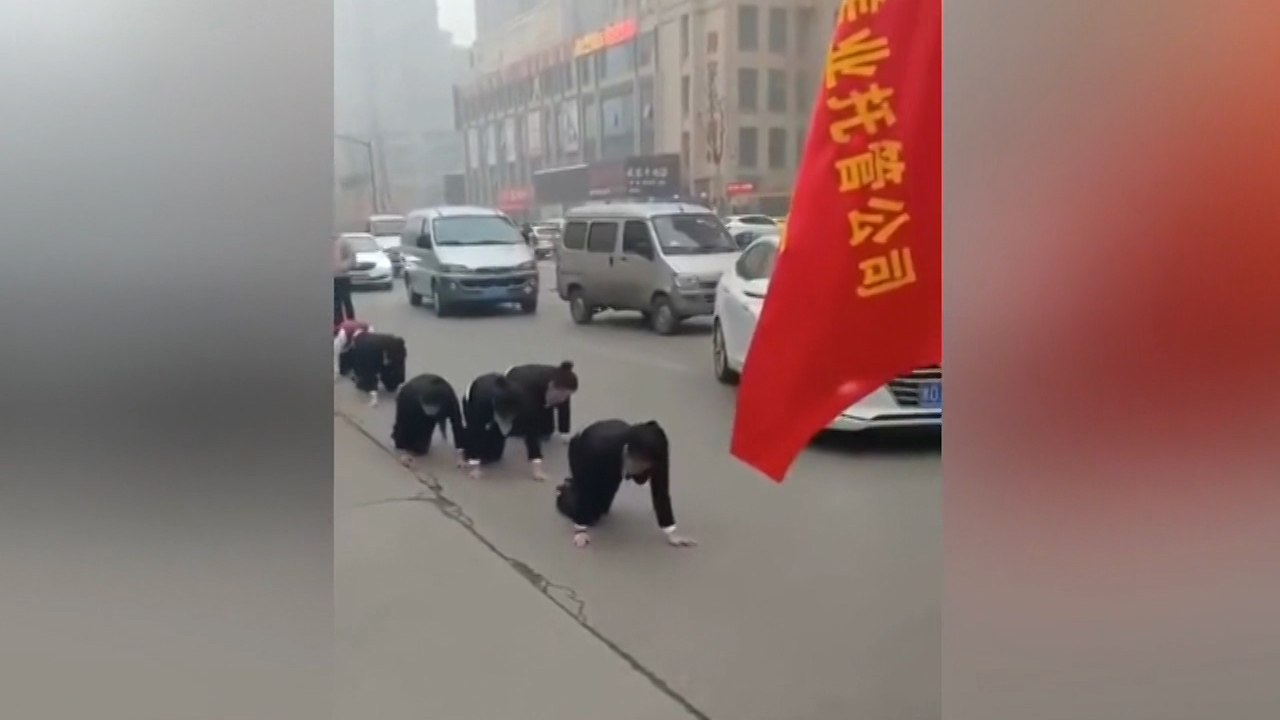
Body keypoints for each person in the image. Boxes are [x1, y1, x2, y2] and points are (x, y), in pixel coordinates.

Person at [555, 420, 696, 549]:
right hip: (584, 453)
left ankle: (593, 497)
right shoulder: (598, 449)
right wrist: (580, 529)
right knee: (589, 510)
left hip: (615, 455)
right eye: (641, 464)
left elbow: (661, 488)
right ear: (629, 453)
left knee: (603, 508)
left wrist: (670, 531)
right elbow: (585, 485)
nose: (645, 470)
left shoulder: (657, 450)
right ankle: (564, 491)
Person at [459, 372, 538, 479]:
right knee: (475, 441)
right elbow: (475, 431)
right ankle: (466, 447)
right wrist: (475, 468)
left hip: (502, 399)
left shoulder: (526, 403)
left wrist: (537, 470)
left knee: (494, 456)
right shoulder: (481, 401)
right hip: (474, 396)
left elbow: (532, 434)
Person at [392, 373, 466, 467]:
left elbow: (457, 423)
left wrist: (460, 454)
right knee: (405, 439)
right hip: (413, 400)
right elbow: (401, 422)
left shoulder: (449, 399)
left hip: (438, 395)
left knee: (421, 449)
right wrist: (402, 450)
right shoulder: (408, 396)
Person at [344, 331, 406, 406]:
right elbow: (398, 366)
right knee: (385, 378)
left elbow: (398, 366)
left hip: (372, 350)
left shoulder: (361, 347)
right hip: (373, 351)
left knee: (369, 381)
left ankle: (371, 386)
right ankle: (376, 385)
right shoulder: (392, 345)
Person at [333, 234, 356, 324]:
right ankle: (338, 323)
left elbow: (352, 258)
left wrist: (342, 267)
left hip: (342, 277)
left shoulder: (343, 241)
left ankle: (351, 322)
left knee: (346, 300)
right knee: (335, 303)